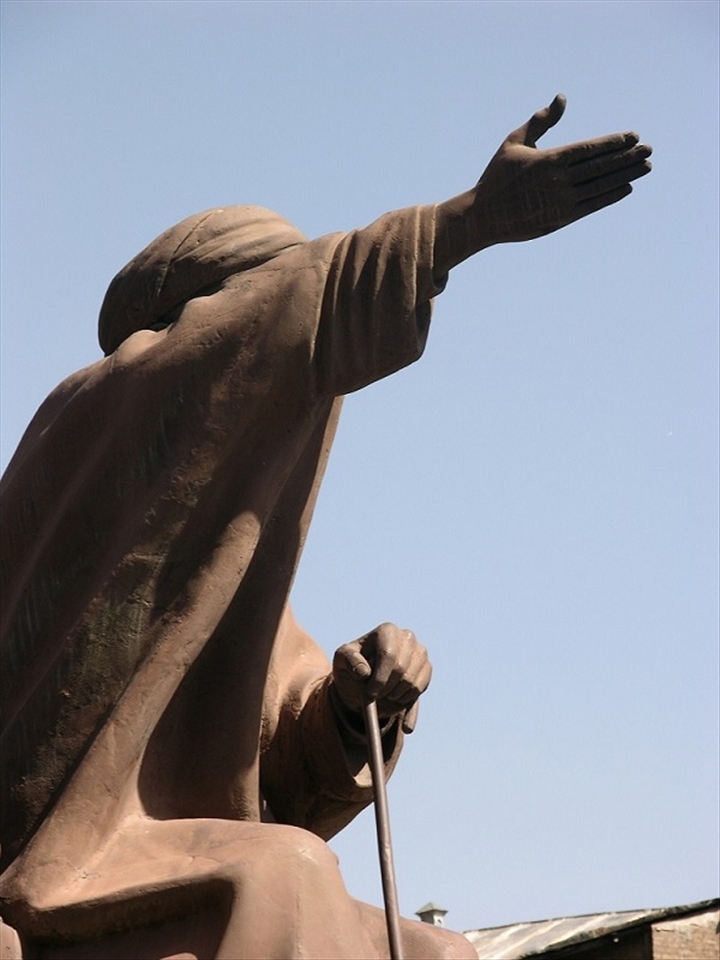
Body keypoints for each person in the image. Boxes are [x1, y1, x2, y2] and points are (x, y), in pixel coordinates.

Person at [0, 97, 650, 959]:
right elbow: (264, 322)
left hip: (177, 850)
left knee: (440, 953)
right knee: (283, 874)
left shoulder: (224, 576)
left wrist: (350, 706)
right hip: (64, 854)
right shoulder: (89, 425)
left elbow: (277, 768)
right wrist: (465, 225)